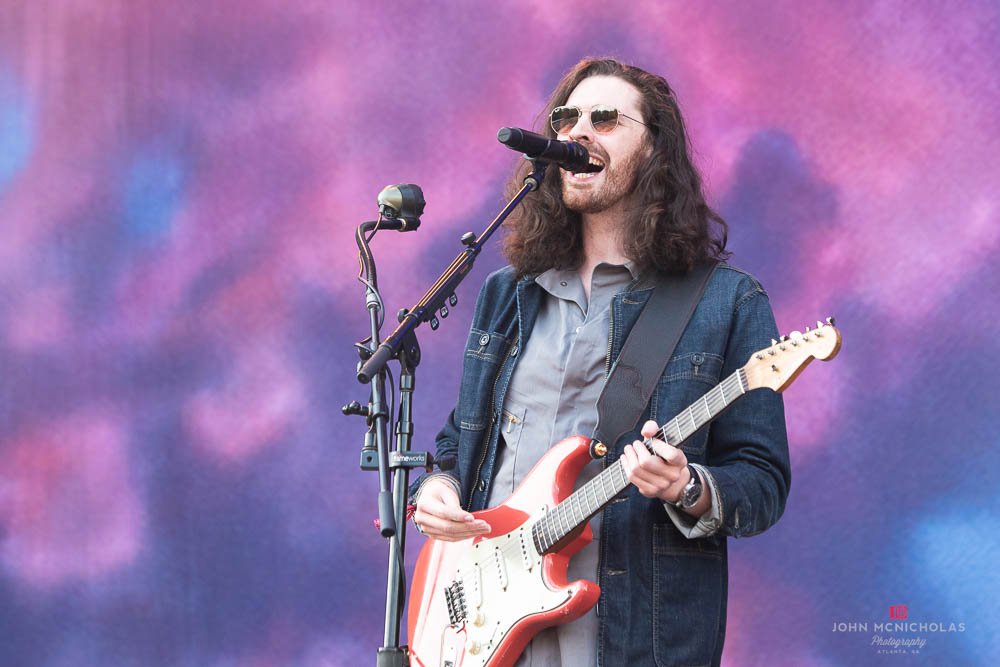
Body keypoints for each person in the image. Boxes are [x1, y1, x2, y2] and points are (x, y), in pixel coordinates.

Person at [410, 57, 790, 667]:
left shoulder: (725, 302)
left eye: (606, 118)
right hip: (480, 623)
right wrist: (437, 487)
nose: (579, 132)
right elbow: (463, 438)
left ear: (655, 149)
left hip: (627, 636)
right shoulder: (508, 293)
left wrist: (688, 487)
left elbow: (762, 481)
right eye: (567, 118)